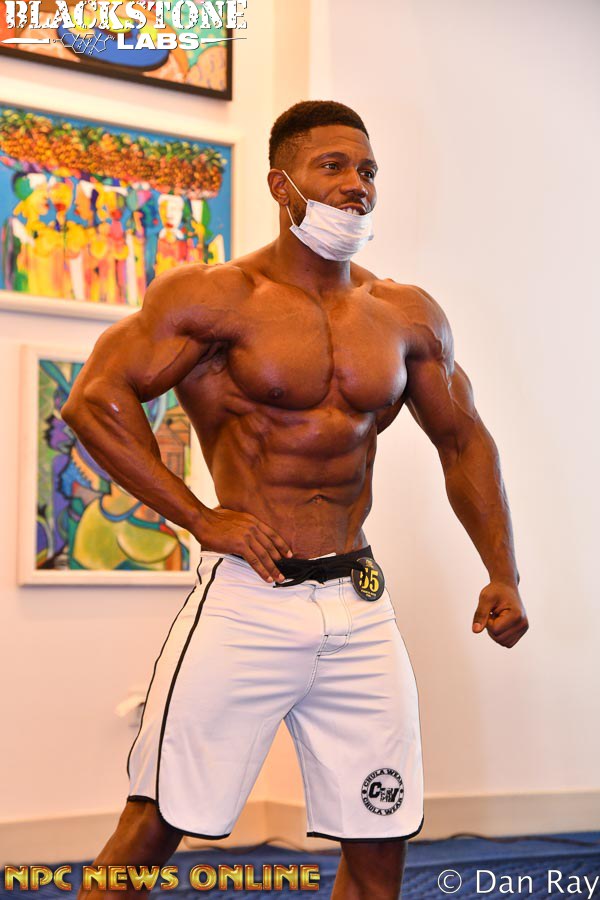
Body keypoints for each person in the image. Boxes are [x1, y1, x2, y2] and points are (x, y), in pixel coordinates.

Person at [63, 100, 528, 900]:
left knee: (381, 833)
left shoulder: (405, 314)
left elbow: (464, 440)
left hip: (359, 603)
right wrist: (202, 519)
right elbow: (94, 401)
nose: (356, 185)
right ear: (283, 185)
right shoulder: (215, 298)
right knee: (154, 825)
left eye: (368, 170)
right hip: (249, 598)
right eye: (333, 167)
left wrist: (503, 572)